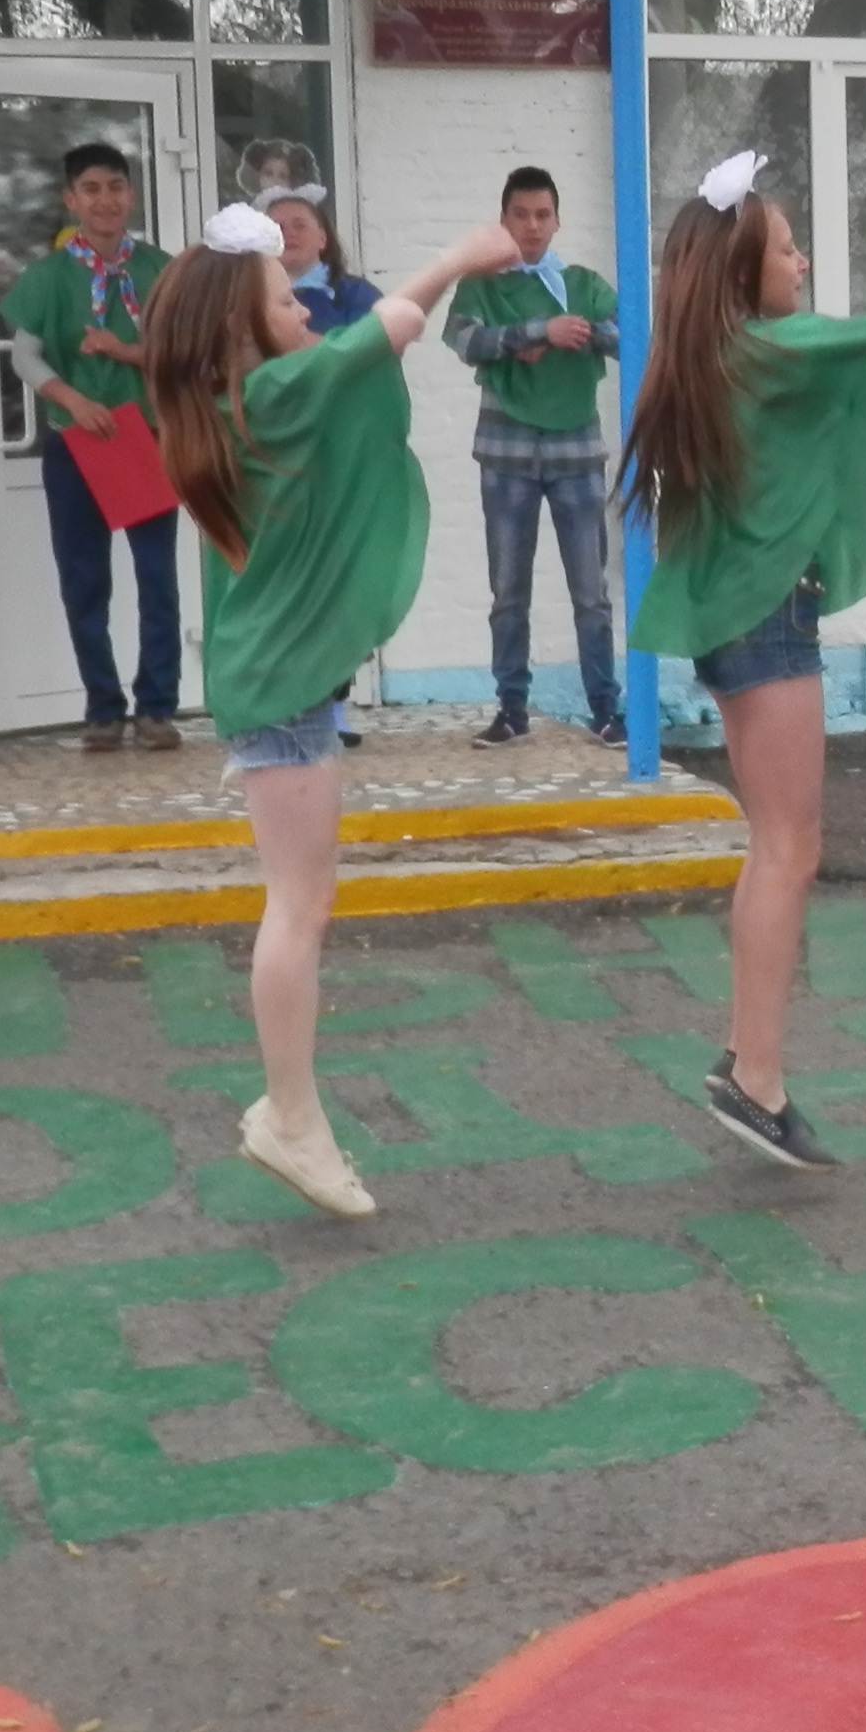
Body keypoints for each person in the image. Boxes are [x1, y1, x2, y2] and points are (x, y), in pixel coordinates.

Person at [142, 201, 526, 1220]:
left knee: (301, 904)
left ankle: (292, 1111)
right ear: (241, 329)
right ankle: (289, 1117)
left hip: (277, 686)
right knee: (298, 908)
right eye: (286, 304)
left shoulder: (239, 402)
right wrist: (459, 254)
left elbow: (357, 348)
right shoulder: (267, 395)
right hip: (276, 693)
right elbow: (381, 332)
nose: (307, 314)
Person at [625, 151, 866, 1170]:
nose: (802, 264)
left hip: (741, 618)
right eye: (788, 250)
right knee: (791, 846)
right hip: (768, 618)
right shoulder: (769, 346)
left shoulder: (724, 352)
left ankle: (747, 1058)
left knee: (773, 842)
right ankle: (756, 1081)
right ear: (744, 272)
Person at [0, 143, 182, 752]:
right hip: (77, 442)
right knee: (84, 580)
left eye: (115, 187)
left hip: (146, 437)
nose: (106, 200)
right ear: (70, 200)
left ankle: (157, 706)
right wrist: (73, 401)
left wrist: (124, 352)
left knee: (157, 578)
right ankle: (103, 707)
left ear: (131, 195)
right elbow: (26, 356)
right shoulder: (47, 276)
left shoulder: (161, 270)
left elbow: (181, 352)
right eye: (91, 189)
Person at [444, 163, 625, 750]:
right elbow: (463, 339)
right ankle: (511, 710)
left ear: (557, 221)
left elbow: (632, 337)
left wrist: (578, 332)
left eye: (543, 215)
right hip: (506, 453)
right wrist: (533, 331)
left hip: (578, 450)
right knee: (508, 592)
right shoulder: (481, 284)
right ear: (503, 220)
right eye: (520, 215)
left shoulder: (584, 283)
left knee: (591, 593)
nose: (532, 226)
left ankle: (606, 710)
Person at [269, 192, 381, 336]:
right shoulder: (250, 297)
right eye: (278, 227)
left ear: (322, 238)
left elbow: (371, 344)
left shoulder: (357, 293)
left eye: (300, 226)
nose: (289, 234)